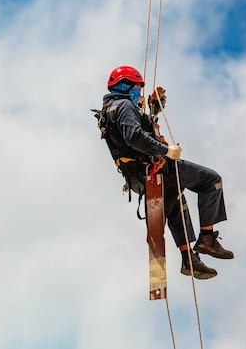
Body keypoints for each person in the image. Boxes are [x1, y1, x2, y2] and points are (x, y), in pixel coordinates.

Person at [99, 65, 234, 279]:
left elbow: (133, 133)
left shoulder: (110, 109)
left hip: (139, 177)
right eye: (137, 87)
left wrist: (151, 113)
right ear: (126, 85)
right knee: (211, 180)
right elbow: (133, 136)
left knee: (175, 202)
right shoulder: (124, 106)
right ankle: (207, 238)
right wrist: (167, 151)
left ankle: (189, 259)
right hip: (159, 168)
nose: (139, 92)